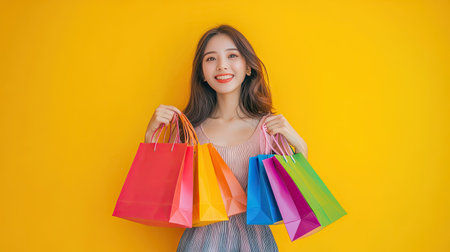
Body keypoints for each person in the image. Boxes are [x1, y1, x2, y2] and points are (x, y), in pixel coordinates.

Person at [144, 24, 308, 252]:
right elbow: (163, 199)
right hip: (200, 245)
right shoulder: (188, 129)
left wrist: (300, 145)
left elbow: (294, 195)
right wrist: (151, 140)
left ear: (248, 67)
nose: (222, 65)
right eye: (211, 59)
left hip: (257, 245)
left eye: (232, 55)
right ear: (201, 72)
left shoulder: (268, 129)